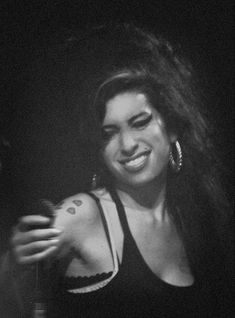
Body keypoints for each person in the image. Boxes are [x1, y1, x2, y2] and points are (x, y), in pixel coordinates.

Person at [0, 24, 233, 317]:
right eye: (109, 133)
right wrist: (16, 263)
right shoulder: (83, 214)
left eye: (140, 123)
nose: (126, 145)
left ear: (172, 126)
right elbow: (10, 295)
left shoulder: (192, 216)